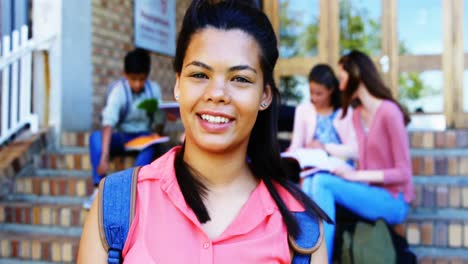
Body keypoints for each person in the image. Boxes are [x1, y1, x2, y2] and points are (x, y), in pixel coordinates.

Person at [78, 1, 330, 263]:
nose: (216, 94)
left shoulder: (301, 228)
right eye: (199, 74)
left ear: (265, 95)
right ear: (177, 85)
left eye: (240, 79)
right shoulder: (115, 208)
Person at [309, 50, 414, 261]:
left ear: (356, 74)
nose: (339, 86)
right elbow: (363, 161)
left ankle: (320, 259)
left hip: (395, 201)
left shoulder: (389, 112)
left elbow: (403, 173)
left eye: (342, 79)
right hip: (369, 193)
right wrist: (346, 170)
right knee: (314, 179)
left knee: (322, 183)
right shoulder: (358, 115)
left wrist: (356, 176)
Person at [82, 48, 166, 209]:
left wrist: (160, 128)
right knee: (95, 138)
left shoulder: (153, 90)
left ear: (147, 77)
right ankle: (98, 189)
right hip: (121, 136)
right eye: (133, 79)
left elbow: (158, 120)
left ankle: (132, 187)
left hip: (143, 136)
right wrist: (104, 156)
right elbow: (108, 123)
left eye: (141, 79)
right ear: (125, 75)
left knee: (152, 144)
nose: (137, 84)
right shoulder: (119, 91)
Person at [288, 64, 357, 159]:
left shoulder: (345, 111)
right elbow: (296, 145)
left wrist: (325, 147)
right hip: (312, 166)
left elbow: (354, 150)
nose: (314, 98)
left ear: (331, 90)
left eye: (319, 94)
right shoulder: (303, 110)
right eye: (311, 92)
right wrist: (291, 154)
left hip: (341, 167)